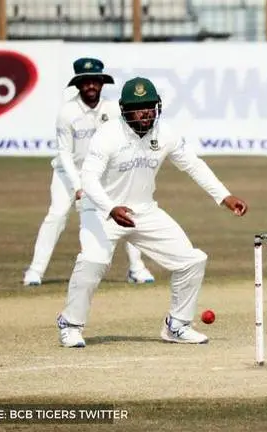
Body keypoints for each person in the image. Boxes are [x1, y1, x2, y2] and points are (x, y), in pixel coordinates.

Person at [55, 77, 248, 348]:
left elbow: (193, 165)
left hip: (143, 211)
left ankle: (177, 325)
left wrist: (224, 196)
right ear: (124, 110)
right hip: (99, 210)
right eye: (138, 108)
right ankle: (70, 324)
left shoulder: (164, 132)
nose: (145, 113)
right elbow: (88, 179)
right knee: (93, 261)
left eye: (149, 106)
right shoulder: (108, 135)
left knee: (192, 260)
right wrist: (110, 208)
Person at [23, 58, 155, 287]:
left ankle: (137, 268)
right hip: (68, 174)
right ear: (78, 84)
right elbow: (64, 153)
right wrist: (78, 186)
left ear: (102, 83)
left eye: (95, 81)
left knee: (126, 212)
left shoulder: (112, 110)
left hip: (104, 174)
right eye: (85, 82)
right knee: (56, 215)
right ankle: (35, 271)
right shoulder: (67, 112)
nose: (91, 86)